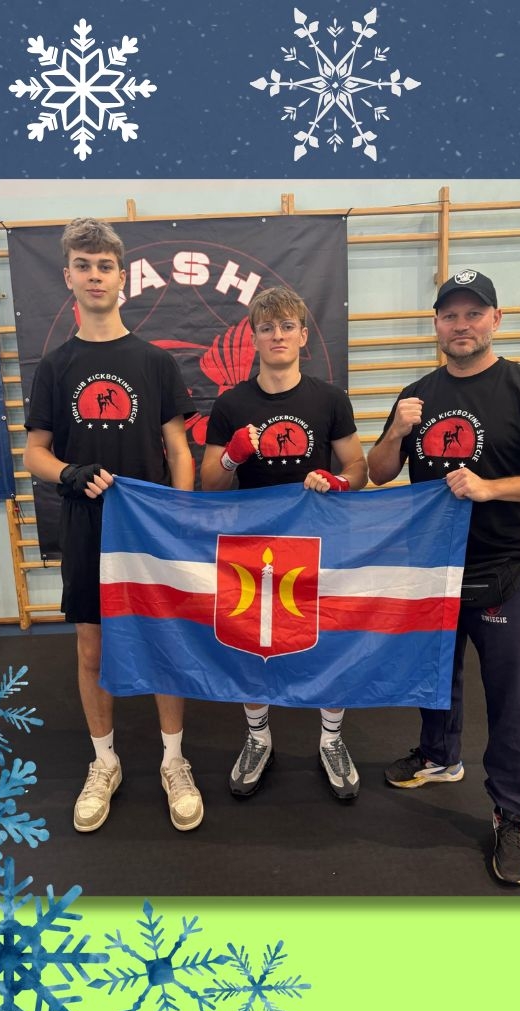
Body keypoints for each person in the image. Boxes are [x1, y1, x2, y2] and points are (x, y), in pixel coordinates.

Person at [367, 269, 520, 884]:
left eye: (473, 313)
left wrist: (492, 489)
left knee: (513, 699)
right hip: (431, 570)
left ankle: (513, 813)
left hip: (502, 568)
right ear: (436, 324)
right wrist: (397, 430)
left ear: (496, 319)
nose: (461, 325)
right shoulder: (415, 395)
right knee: (434, 674)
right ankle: (439, 756)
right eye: (450, 315)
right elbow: (379, 472)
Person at [21, 217, 198, 833]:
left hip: (149, 529)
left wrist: (180, 516)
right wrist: (68, 473)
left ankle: (174, 761)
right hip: (87, 525)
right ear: (68, 276)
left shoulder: (154, 362)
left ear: (122, 278)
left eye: (104, 266)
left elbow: (179, 450)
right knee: (92, 646)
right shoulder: (56, 365)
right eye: (84, 266)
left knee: (164, 641)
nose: (94, 276)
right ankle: (105, 762)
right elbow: (34, 454)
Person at [200, 286, 368, 801]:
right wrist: (231, 456)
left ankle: (332, 739)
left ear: (303, 336)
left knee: (329, 640)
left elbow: (358, 467)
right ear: (253, 337)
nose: (277, 335)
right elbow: (210, 485)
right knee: (252, 642)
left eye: (287, 326)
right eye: (267, 327)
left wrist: (339, 481)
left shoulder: (329, 399)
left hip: (319, 539)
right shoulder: (231, 404)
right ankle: (258, 738)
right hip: (251, 543)